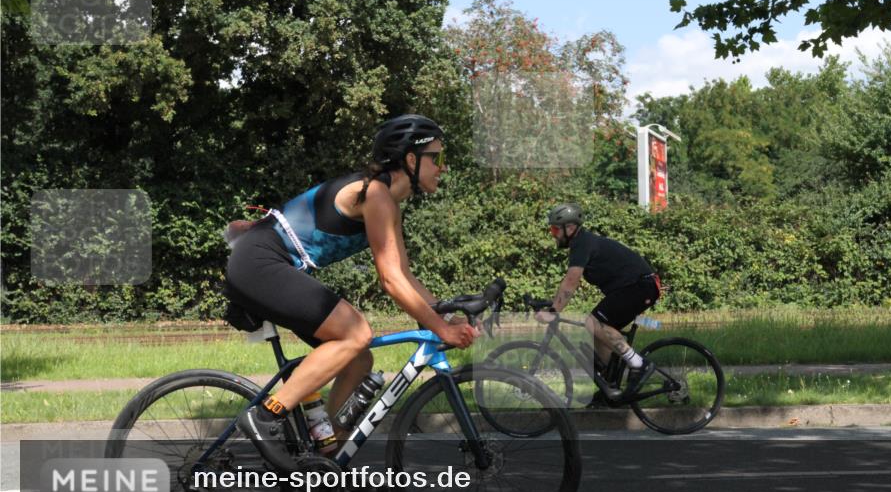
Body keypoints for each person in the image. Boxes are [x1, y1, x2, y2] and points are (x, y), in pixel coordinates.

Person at [225, 114, 477, 468]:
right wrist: (440, 328)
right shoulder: (376, 195)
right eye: (436, 157)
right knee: (356, 332)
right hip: (259, 261)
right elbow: (389, 281)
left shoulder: (386, 201)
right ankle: (267, 416)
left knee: (359, 358)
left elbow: (404, 273)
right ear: (410, 159)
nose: (442, 167)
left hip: (270, 264)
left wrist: (445, 315)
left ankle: (328, 454)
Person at [536, 203, 661, 407]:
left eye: (554, 229)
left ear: (570, 228)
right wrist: (551, 304)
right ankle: (609, 389)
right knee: (600, 335)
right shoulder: (583, 243)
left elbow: (571, 281)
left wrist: (553, 311)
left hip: (640, 286)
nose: (553, 234)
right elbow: (568, 283)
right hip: (634, 287)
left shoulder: (582, 243)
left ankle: (639, 363)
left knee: (593, 323)